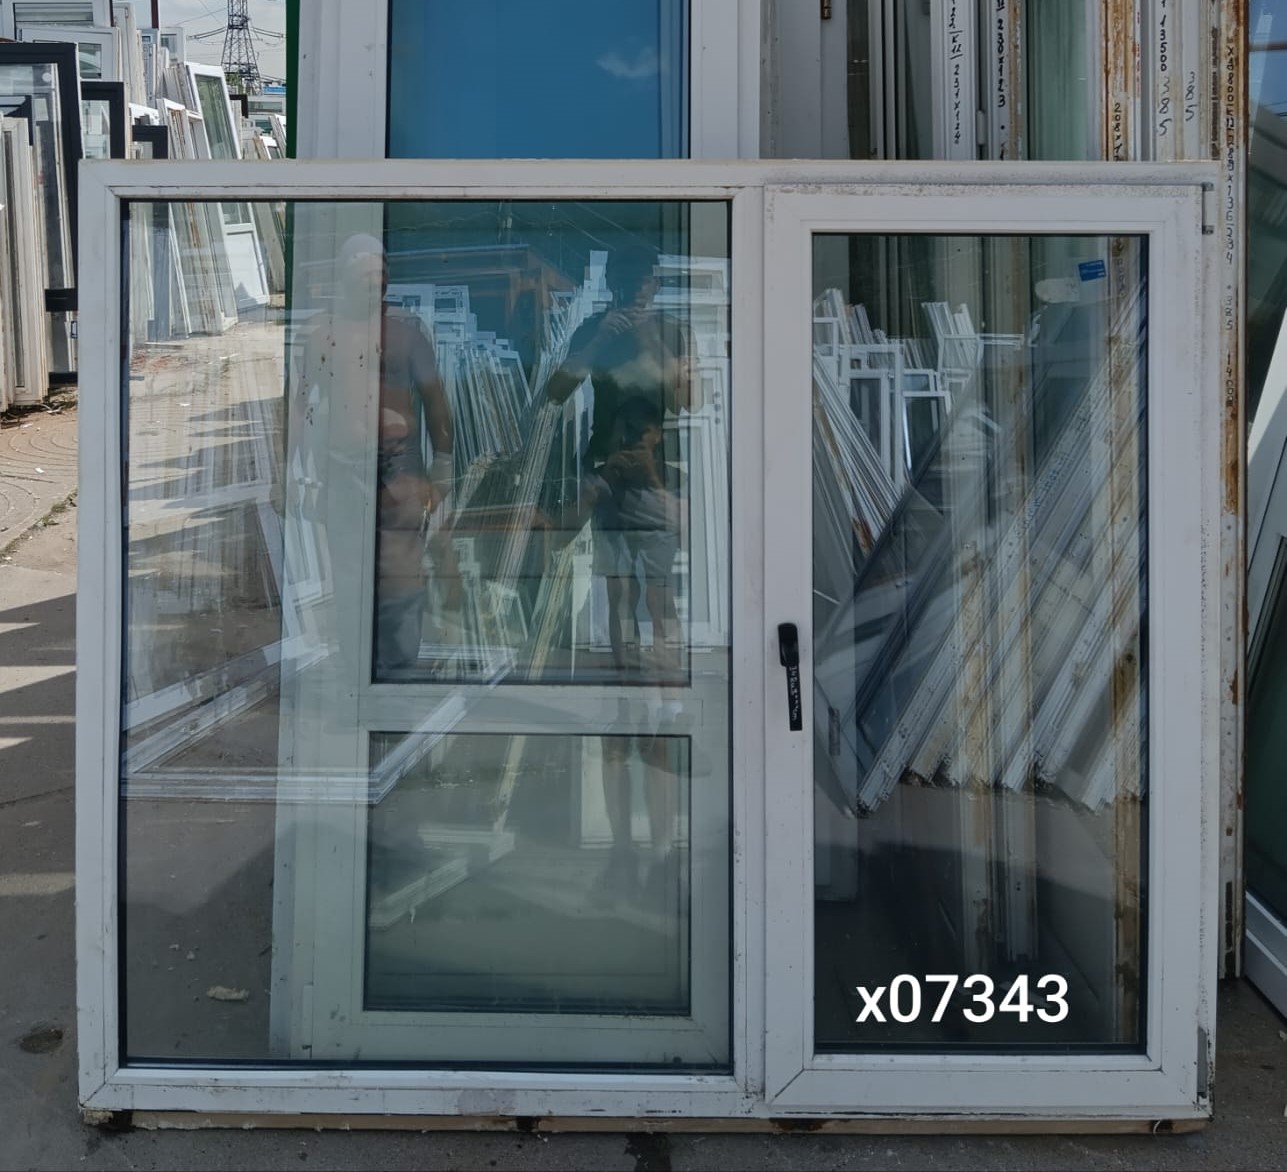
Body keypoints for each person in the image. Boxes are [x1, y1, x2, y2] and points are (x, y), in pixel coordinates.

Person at [546, 244, 695, 901]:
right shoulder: (595, 328)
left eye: (647, 281)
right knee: (618, 624)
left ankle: (661, 846)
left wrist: (652, 343)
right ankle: (627, 852)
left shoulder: (673, 330)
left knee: (660, 611)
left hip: (657, 486)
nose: (639, 291)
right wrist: (596, 343)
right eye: (631, 280)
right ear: (615, 282)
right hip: (608, 485)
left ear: (656, 285)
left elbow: (687, 399)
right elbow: (554, 392)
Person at [300, 232, 456, 676]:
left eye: (380, 274)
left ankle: (398, 671)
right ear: (345, 277)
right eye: (364, 273)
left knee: (401, 571)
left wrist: (442, 468)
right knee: (350, 575)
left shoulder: (407, 337)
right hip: (342, 469)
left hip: (400, 470)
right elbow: (298, 407)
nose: (375, 282)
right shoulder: (323, 338)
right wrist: (286, 476)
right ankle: (358, 675)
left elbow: (436, 402)